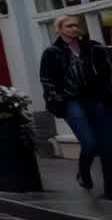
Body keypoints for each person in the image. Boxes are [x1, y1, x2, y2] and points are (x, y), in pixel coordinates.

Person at [40, 15, 112, 194]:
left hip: (95, 99)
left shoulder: (92, 47)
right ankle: (84, 172)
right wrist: (58, 99)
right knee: (90, 143)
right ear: (59, 29)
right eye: (69, 25)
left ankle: (110, 189)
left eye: (76, 25)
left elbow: (106, 72)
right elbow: (47, 80)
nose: (74, 28)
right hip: (70, 101)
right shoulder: (52, 52)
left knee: (107, 144)